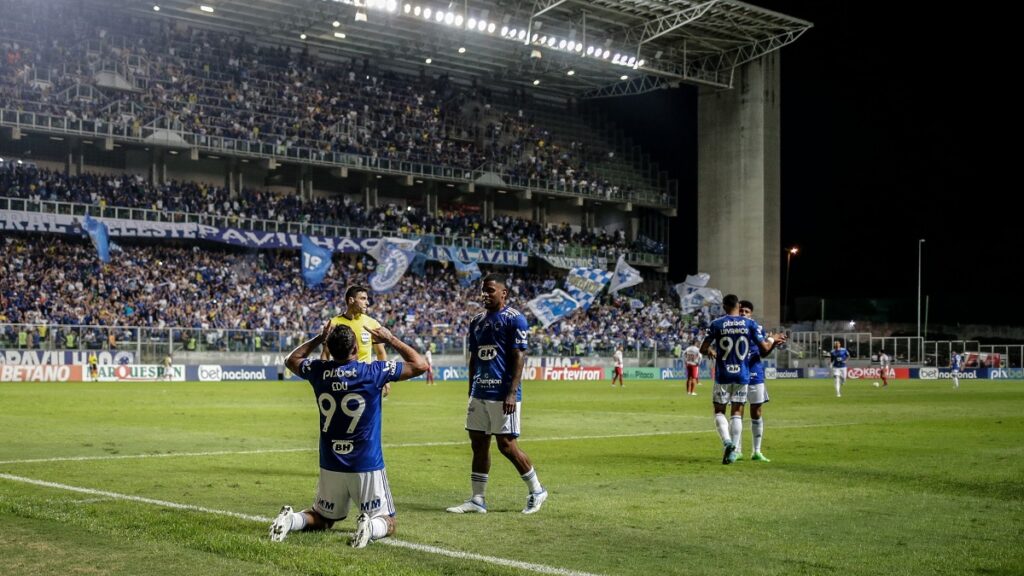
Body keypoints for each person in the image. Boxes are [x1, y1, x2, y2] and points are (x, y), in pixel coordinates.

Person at [269, 322, 427, 547]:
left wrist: (318, 339)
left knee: (323, 517)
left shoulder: (319, 371)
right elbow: (420, 365)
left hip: (331, 461)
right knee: (389, 521)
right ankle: (370, 527)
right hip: (366, 462)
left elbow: (291, 360)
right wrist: (390, 338)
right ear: (355, 349)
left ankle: (292, 520)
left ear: (330, 349)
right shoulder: (373, 372)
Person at [446, 273, 547, 515]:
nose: (485, 294)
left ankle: (537, 490)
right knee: (478, 444)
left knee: (507, 445)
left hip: (502, 394)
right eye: (483, 290)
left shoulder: (515, 319)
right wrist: (471, 389)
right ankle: (477, 499)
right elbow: (474, 357)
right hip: (479, 392)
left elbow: (519, 356)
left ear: (504, 293)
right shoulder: (477, 320)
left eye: (490, 290)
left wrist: (512, 393)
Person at [699, 294, 784, 465]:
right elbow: (765, 349)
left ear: (723, 306)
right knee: (737, 412)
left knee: (719, 411)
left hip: (723, 374)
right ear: (738, 305)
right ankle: (737, 449)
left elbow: (703, 348)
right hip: (742, 374)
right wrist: (772, 339)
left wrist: (710, 351)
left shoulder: (717, 324)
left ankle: (729, 443)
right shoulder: (750, 324)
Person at [326, 285, 390, 395]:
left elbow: (380, 352)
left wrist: (385, 379)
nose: (367, 303)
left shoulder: (372, 324)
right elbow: (326, 354)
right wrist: (326, 378)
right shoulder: (333, 323)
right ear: (351, 300)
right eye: (363, 298)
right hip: (341, 380)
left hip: (365, 379)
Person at [737, 300, 779, 462]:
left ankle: (756, 451)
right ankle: (737, 450)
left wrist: (772, 343)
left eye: (746, 311)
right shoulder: (731, 328)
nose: (743, 313)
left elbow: (764, 352)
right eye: (741, 311)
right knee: (737, 411)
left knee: (756, 411)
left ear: (751, 314)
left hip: (755, 373)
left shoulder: (757, 328)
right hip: (737, 374)